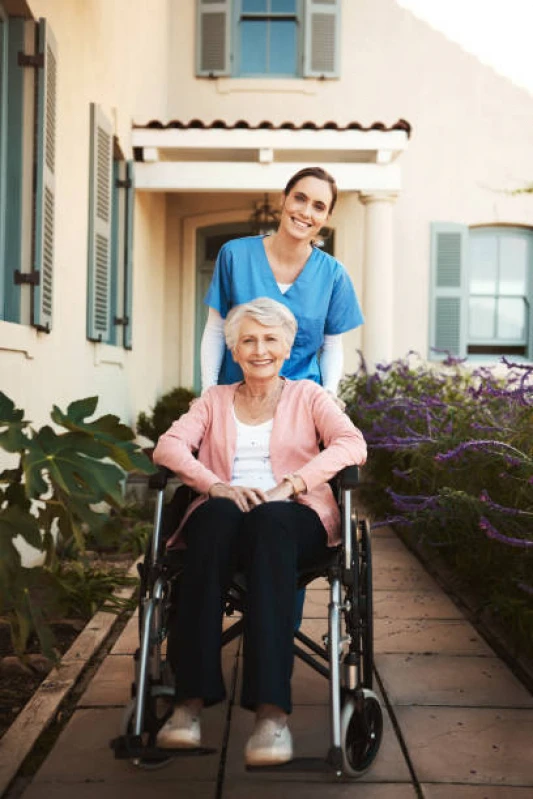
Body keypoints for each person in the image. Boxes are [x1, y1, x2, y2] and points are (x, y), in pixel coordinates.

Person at [153, 298, 367, 767]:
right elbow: (167, 447)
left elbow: (353, 443)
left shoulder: (311, 398)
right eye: (248, 340)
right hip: (225, 513)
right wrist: (215, 486)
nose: (260, 349)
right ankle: (187, 704)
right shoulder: (212, 401)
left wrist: (291, 484)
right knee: (210, 520)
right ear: (234, 348)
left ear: (288, 346)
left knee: (270, 522)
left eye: (270, 339)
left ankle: (271, 716)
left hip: (294, 515)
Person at [201, 166, 364, 399]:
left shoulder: (333, 275)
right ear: (283, 198)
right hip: (237, 398)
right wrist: (208, 391)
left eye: (318, 206)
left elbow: (332, 345)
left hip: (302, 404)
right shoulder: (235, 256)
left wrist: (329, 394)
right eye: (300, 198)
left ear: (327, 217)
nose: (306, 212)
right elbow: (216, 329)